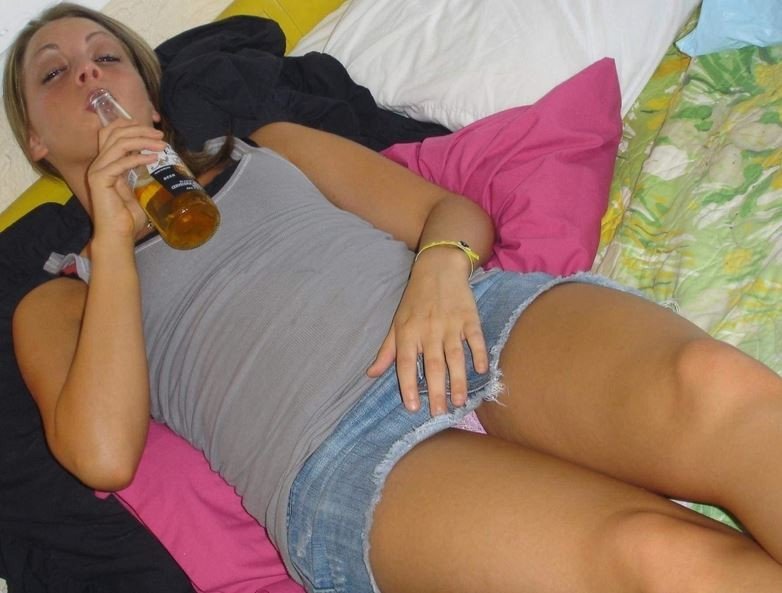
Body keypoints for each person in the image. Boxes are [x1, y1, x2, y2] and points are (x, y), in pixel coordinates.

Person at [5, 3, 782, 592]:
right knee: (655, 554)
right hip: (334, 457)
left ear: (147, 95)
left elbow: (446, 212)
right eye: (53, 72)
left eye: (107, 56)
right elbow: (104, 455)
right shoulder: (60, 293)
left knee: (715, 388)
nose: (88, 75)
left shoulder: (268, 147)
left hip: (465, 321)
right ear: (35, 141)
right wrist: (113, 238)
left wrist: (436, 274)